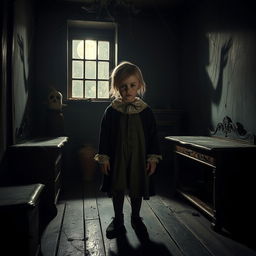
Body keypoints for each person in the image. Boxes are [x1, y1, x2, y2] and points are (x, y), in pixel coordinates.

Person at [94, 61, 162, 239]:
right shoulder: (112, 111)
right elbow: (105, 136)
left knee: (137, 186)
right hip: (117, 158)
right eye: (123, 87)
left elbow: (153, 136)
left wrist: (152, 158)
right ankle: (118, 219)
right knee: (117, 187)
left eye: (132, 85)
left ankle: (135, 217)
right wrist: (104, 158)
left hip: (138, 157)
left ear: (139, 85)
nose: (128, 90)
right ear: (116, 87)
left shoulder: (146, 112)